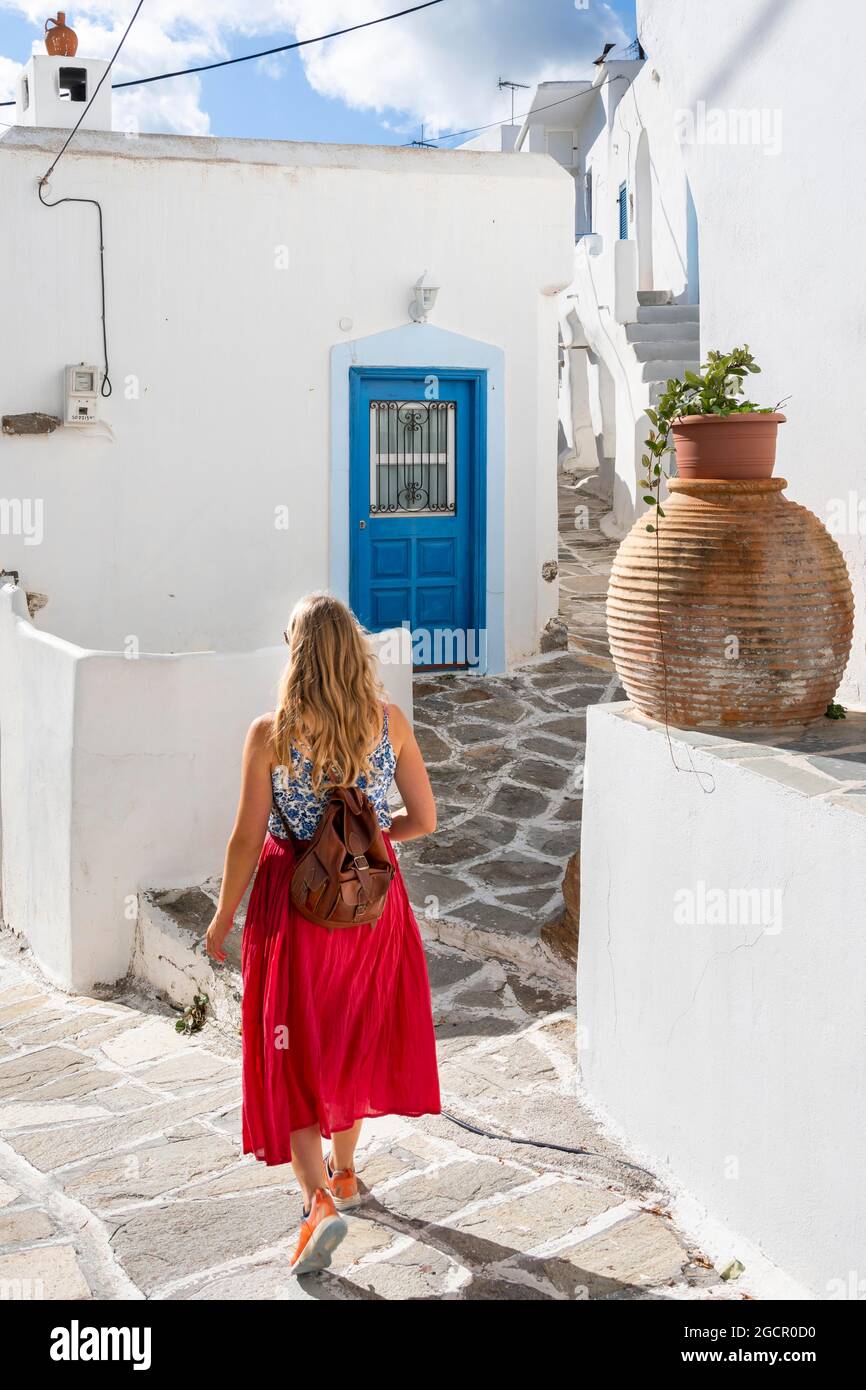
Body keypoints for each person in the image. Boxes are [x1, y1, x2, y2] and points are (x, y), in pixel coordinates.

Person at [205, 592, 440, 1274]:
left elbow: (247, 838)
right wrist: (364, 844)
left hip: (295, 906)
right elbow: (423, 818)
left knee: (293, 1050)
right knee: (351, 1036)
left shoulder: (270, 734)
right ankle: (342, 1172)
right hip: (370, 910)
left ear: (297, 657)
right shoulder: (388, 721)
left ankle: (317, 1206)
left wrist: (223, 917)